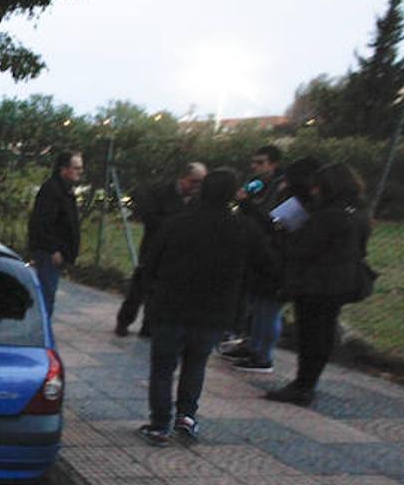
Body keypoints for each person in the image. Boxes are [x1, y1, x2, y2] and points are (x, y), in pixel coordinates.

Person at [137, 168, 273, 446]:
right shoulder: (243, 228)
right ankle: (186, 416)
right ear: (233, 193)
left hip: (170, 306)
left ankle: (159, 424)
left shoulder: (176, 224)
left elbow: (149, 263)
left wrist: (152, 291)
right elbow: (267, 263)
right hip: (214, 310)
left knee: (163, 367)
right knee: (195, 364)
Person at [266, 162, 372, 406]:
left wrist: (283, 232)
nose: (313, 192)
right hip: (343, 281)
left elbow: (303, 248)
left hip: (317, 283)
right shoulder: (358, 212)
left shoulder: (328, 216)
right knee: (323, 332)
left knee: (312, 334)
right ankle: (308, 383)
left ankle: (303, 384)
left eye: (317, 187)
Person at [228, 157, 321, 373]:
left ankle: (263, 354)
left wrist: (249, 206)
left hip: (281, 262)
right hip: (269, 258)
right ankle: (254, 346)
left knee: (269, 309)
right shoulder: (290, 198)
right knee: (259, 306)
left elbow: (274, 225)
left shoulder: (303, 204)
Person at [115, 162, 206, 337]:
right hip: (153, 247)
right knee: (139, 287)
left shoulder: (198, 200)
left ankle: (149, 326)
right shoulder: (161, 192)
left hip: (177, 253)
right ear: (182, 178)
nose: (196, 186)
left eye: (200, 182)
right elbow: (149, 217)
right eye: (193, 181)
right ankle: (124, 321)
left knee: (160, 291)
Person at [219, 144, 286, 356]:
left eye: (260, 163)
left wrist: (247, 204)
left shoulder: (280, 187)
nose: (255, 167)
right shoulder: (257, 185)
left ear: (273, 164)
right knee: (250, 299)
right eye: (253, 162)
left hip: (269, 249)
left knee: (265, 307)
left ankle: (261, 351)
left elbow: (271, 219)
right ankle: (247, 340)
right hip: (249, 245)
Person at [27, 151, 83, 317]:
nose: (80, 171)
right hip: (49, 253)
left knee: (48, 293)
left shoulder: (66, 190)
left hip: (57, 251)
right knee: (46, 294)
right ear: (64, 169)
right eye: (76, 168)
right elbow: (42, 222)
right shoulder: (53, 190)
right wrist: (53, 249)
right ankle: (40, 334)